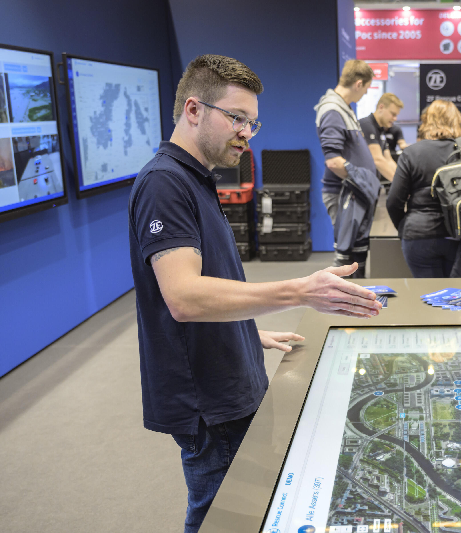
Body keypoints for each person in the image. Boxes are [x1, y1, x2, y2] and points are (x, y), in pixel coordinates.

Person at [128, 54, 382, 533]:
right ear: (193, 110)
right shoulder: (165, 184)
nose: (247, 133)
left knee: (245, 509)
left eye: (252, 122)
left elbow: (208, 284)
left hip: (229, 375)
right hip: (212, 399)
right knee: (225, 518)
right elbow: (183, 296)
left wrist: (247, 332)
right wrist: (302, 291)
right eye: (236, 118)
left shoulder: (195, 178)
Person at [386, 100, 461, 278]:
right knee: (460, 292)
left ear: (427, 120)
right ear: (456, 120)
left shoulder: (412, 152)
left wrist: (405, 227)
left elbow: (394, 201)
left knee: (427, 292)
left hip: (419, 235)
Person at [315, 59, 377, 275]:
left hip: (354, 193)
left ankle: (356, 292)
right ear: (358, 84)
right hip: (345, 193)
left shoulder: (344, 108)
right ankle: (343, 295)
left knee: (358, 251)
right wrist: (366, 184)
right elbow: (333, 161)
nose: (365, 94)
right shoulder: (333, 110)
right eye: (366, 88)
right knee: (346, 255)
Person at [358, 92, 404, 181]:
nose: (395, 118)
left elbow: (388, 160)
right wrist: (400, 184)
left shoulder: (380, 129)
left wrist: (404, 180)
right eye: (393, 114)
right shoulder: (366, 125)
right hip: (359, 183)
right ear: (381, 107)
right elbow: (377, 160)